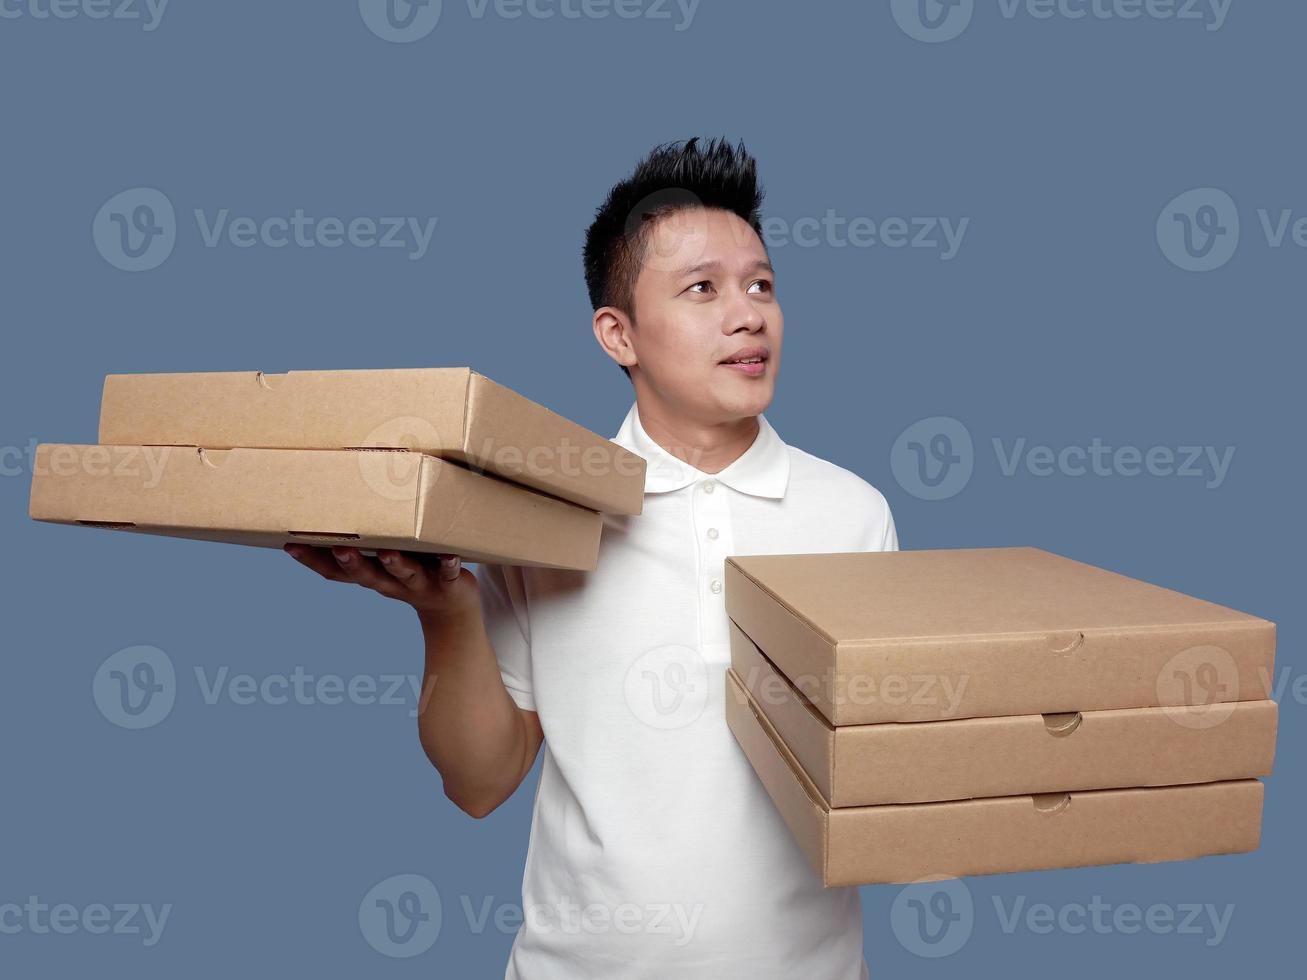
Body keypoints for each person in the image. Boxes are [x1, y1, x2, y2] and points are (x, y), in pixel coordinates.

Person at [285, 137, 897, 979]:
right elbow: (479, 784)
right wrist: (444, 608)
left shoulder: (852, 516)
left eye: (761, 284)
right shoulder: (544, 516)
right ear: (618, 335)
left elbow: (884, 780)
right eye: (701, 289)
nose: (747, 312)